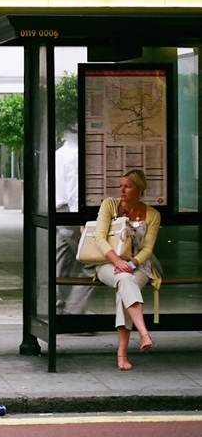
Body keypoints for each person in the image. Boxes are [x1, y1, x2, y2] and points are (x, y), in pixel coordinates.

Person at [93, 169, 161, 371]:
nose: (121, 190)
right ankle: (143, 333)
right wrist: (116, 261)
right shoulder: (109, 205)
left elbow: (148, 249)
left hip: (139, 266)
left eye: (127, 187)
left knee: (125, 283)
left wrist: (131, 264)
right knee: (124, 280)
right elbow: (99, 237)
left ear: (139, 190)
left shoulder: (153, 215)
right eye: (121, 186)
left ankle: (122, 353)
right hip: (107, 263)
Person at [55, 130, 95, 316]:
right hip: (71, 213)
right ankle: (74, 310)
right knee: (92, 262)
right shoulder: (75, 155)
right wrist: (80, 218)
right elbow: (74, 189)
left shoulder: (58, 153)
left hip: (58, 212)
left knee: (62, 262)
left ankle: (58, 306)